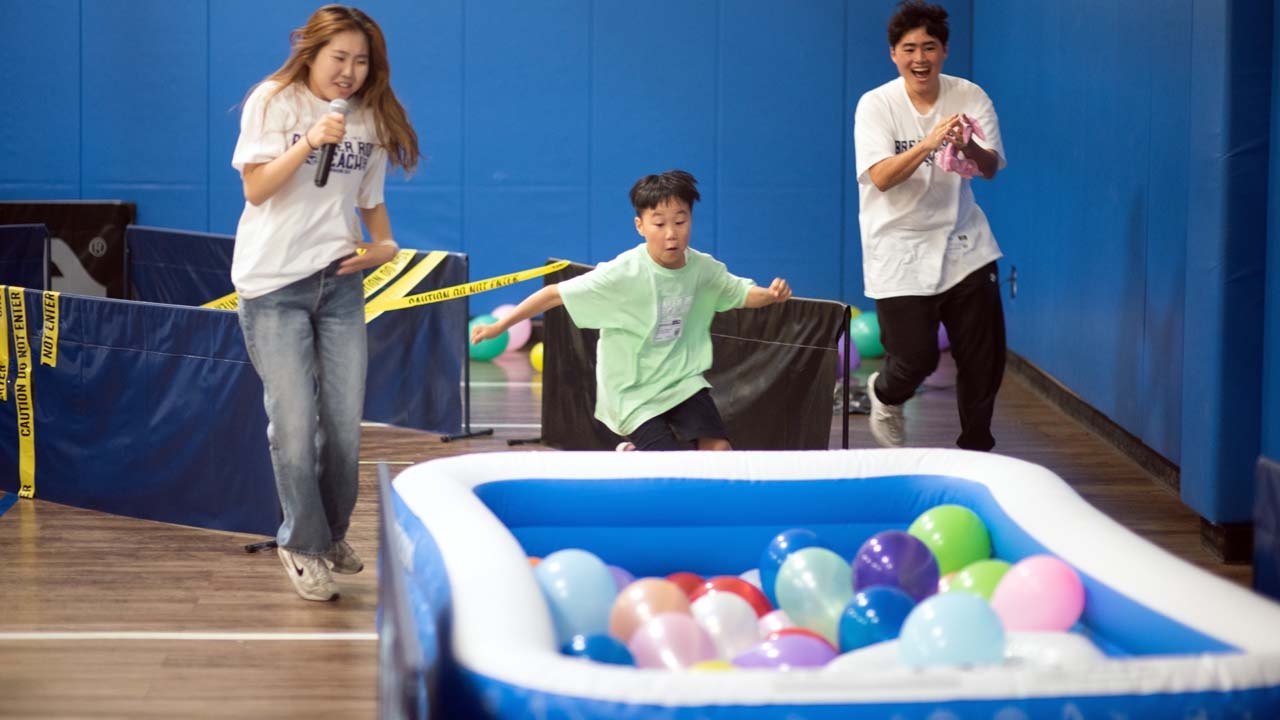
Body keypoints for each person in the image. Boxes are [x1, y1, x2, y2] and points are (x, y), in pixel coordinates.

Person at [231, 5, 419, 601]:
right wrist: (310, 140)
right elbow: (256, 188)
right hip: (272, 285)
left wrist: (385, 246)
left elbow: (370, 202)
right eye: (339, 57)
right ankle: (301, 543)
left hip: (339, 282)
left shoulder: (370, 117)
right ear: (310, 53)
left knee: (343, 427)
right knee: (292, 423)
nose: (349, 71)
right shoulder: (274, 100)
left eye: (361, 61)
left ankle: (330, 536)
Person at [471, 170, 792, 451]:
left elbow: (740, 292)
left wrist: (769, 295)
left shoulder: (703, 269)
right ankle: (633, 453)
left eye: (680, 221)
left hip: (682, 382)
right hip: (633, 392)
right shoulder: (623, 273)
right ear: (640, 226)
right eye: (660, 223)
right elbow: (554, 294)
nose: (671, 233)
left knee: (719, 450)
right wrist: (500, 326)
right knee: (670, 468)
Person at [853, 0, 1007, 451]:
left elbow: (990, 167)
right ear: (893, 54)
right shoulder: (876, 105)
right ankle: (885, 395)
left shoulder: (970, 96)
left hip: (964, 242)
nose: (920, 58)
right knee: (915, 360)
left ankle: (977, 448)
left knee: (983, 359)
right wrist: (930, 142)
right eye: (909, 49)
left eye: (929, 47)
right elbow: (881, 177)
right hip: (897, 245)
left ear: (944, 51)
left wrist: (968, 146)